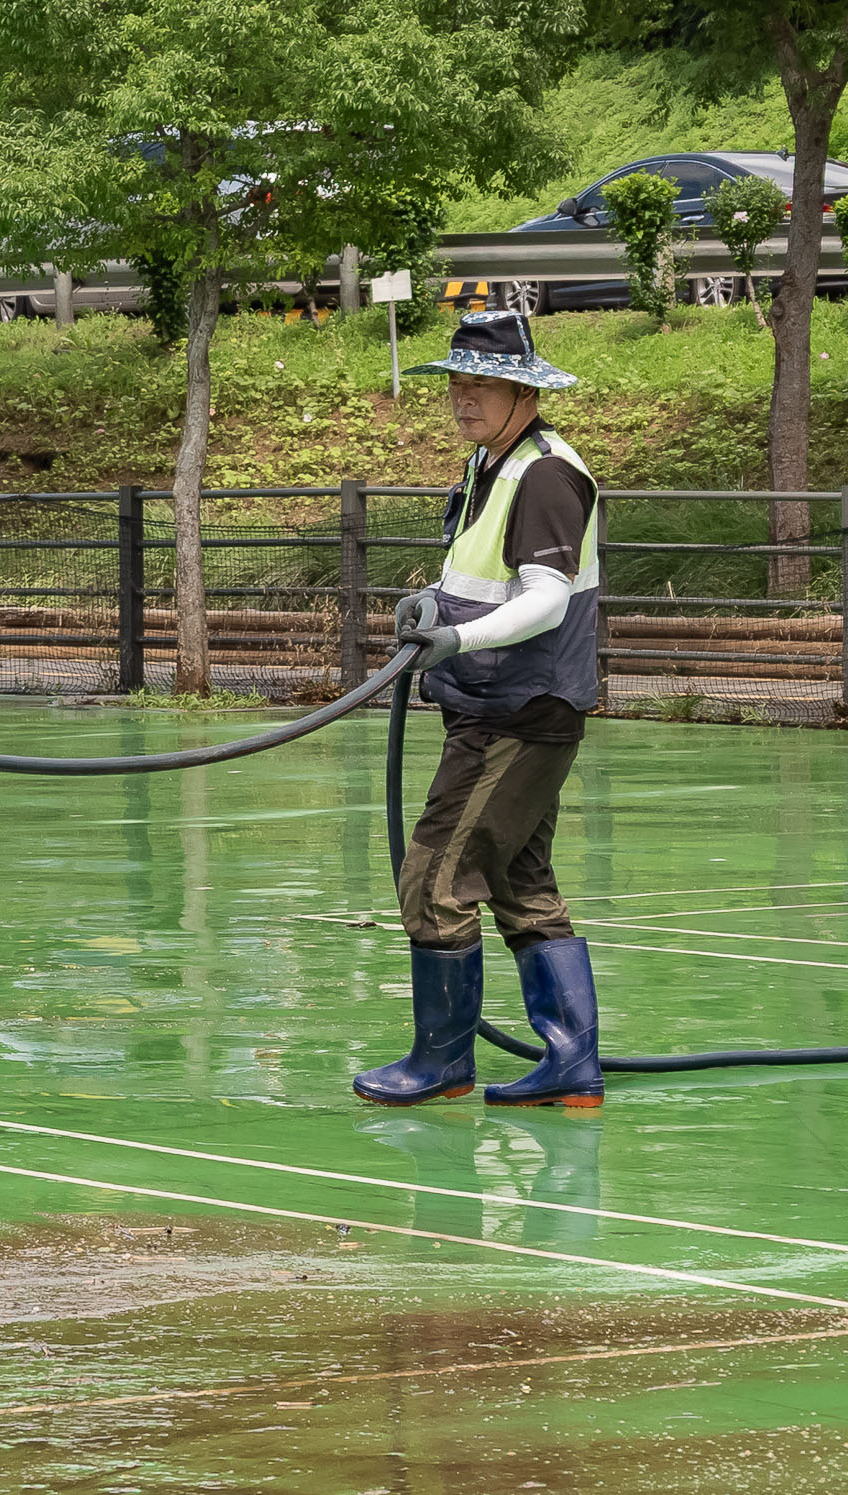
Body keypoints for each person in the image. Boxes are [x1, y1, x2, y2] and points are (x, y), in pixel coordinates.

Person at [356, 311, 606, 1112]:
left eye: (481, 385)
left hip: (519, 711)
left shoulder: (546, 476)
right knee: (521, 881)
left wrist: (455, 639)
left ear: (522, 391)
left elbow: (543, 601)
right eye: (457, 383)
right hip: (494, 702)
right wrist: (435, 603)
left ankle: (443, 1062)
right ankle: (570, 1065)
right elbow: (478, 573)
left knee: (435, 876)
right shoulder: (489, 463)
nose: (463, 398)